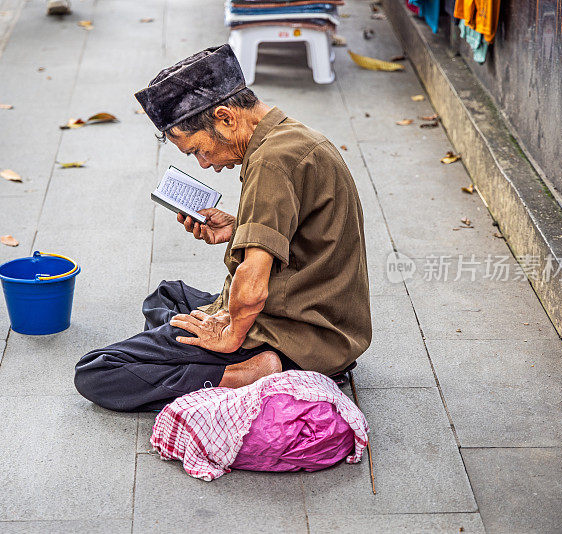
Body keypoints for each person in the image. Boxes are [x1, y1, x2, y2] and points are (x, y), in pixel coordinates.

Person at [74, 44, 371, 412]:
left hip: (291, 327)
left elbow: (254, 285)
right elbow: (306, 233)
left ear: (226, 117)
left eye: (198, 149)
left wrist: (229, 334)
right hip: (330, 326)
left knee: (99, 371)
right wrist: (238, 228)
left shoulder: (271, 163)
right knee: (167, 297)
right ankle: (268, 360)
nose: (203, 163)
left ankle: (245, 373)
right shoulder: (293, 138)